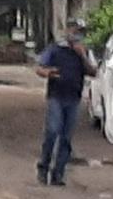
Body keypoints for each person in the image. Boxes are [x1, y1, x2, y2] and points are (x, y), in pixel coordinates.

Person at [34, 19, 97, 186]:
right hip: (56, 96)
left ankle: (58, 174)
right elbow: (40, 68)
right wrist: (48, 73)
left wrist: (82, 55)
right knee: (52, 131)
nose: (77, 34)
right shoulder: (55, 49)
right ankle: (43, 167)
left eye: (80, 31)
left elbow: (93, 72)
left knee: (66, 137)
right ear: (68, 30)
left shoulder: (84, 51)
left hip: (74, 98)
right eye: (75, 30)